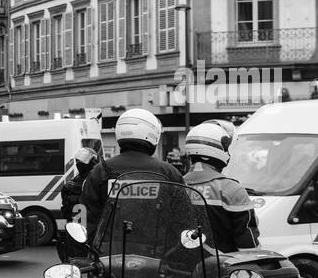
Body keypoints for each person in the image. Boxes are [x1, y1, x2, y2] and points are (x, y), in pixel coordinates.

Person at [81, 108, 185, 243]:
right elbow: (183, 219)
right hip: (157, 256)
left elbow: (86, 219)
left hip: (109, 256)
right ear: (153, 134)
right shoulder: (169, 172)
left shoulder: (100, 171)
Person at [183, 122, 259, 253]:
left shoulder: (177, 185)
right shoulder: (231, 189)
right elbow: (247, 242)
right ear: (219, 150)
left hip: (181, 266)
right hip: (222, 268)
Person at [56, 148, 99, 278]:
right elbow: (65, 208)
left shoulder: (98, 181)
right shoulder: (73, 183)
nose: (79, 165)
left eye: (82, 162)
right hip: (76, 225)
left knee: (95, 260)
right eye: (78, 162)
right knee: (71, 259)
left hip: (94, 226)